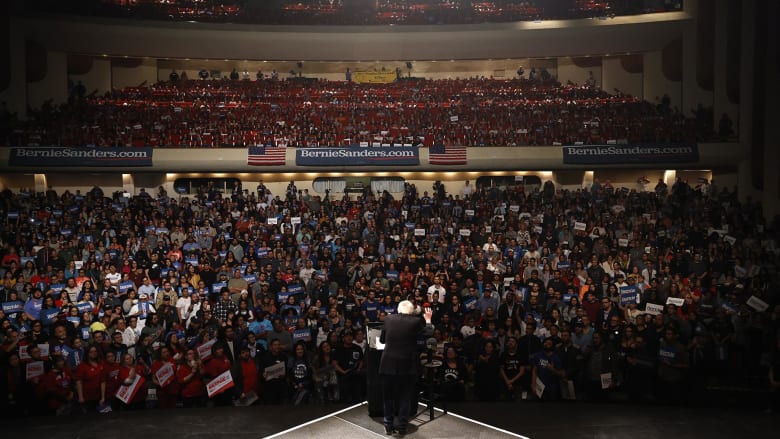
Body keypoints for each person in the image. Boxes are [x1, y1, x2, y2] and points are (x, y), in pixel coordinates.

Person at [378, 300, 433, 436]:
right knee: (404, 397)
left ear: (398, 309)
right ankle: (402, 427)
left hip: (388, 364)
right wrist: (428, 319)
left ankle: (388, 425)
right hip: (407, 365)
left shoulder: (388, 319)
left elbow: (382, 340)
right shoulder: (415, 321)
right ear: (411, 311)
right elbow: (429, 332)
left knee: (388, 397)